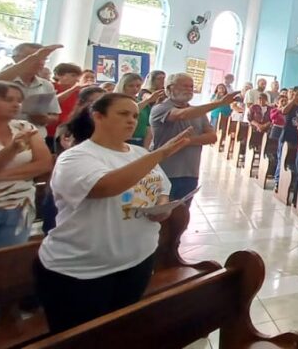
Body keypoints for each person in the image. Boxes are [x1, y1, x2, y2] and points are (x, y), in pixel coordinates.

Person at [34, 93, 192, 333]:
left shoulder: (138, 153)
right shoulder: (76, 157)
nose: (131, 120)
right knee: (80, 339)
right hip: (83, 270)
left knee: (117, 334)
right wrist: (160, 153)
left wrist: (162, 206)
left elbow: (161, 185)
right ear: (98, 116)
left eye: (135, 116)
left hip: (137, 260)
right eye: (123, 114)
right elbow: (105, 187)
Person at [0, 81, 55, 329]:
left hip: (19, 206)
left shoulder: (24, 126)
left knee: (1, 271)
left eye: (18, 100)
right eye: (7, 99)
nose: (15, 104)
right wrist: (10, 152)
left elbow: (43, 164)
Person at [149, 73, 229, 202]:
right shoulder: (160, 108)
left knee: (182, 214)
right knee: (161, 214)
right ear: (169, 88)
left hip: (190, 172)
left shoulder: (198, 112)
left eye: (191, 86)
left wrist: (188, 141)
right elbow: (182, 115)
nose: (189, 89)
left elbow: (212, 137)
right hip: (165, 171)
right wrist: (218, 103)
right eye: (184, 86)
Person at [0, 43, 62, 127]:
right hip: (1, 134)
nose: (39, 62)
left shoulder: (46, 84)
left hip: (35, 136)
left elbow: (54, 116)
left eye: (43, 58)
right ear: (15, 58)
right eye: (31, 57)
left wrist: (44, 119)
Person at [117, 73, 163, 149]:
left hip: (139, 142)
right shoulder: (116, 101)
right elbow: (129, 111)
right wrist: (148, 100)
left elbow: (148, 127)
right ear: (123, 86)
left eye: (138, 86)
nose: (135, 89)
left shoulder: (144, 104)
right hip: (121, 140)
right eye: (131, 86)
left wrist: (145, 148)